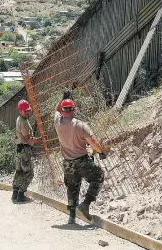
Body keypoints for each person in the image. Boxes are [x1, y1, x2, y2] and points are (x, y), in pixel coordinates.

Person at [53, 91, 108, 224]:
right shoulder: (80, 125)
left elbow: (56, 110)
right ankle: (86, 203)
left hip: (67, 163)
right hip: (82, 160)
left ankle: (72, 217)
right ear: (74, 109)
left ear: (62, 110)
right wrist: (101, 151)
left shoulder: (57, 123)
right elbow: (93, 142)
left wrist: (63, 98)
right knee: (99, 176)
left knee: (72, 188)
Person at [12, 99, 43, 203]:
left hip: (19, 149)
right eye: (25, 111)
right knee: (29, 173)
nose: (28, 112)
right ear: (20, 111)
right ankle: (21, 194)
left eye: (28, 110)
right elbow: (28, 139)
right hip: (24, 149)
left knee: (19, 172)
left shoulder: (19, 118)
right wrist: (40, 139)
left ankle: (15, 193)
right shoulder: (24, 121)